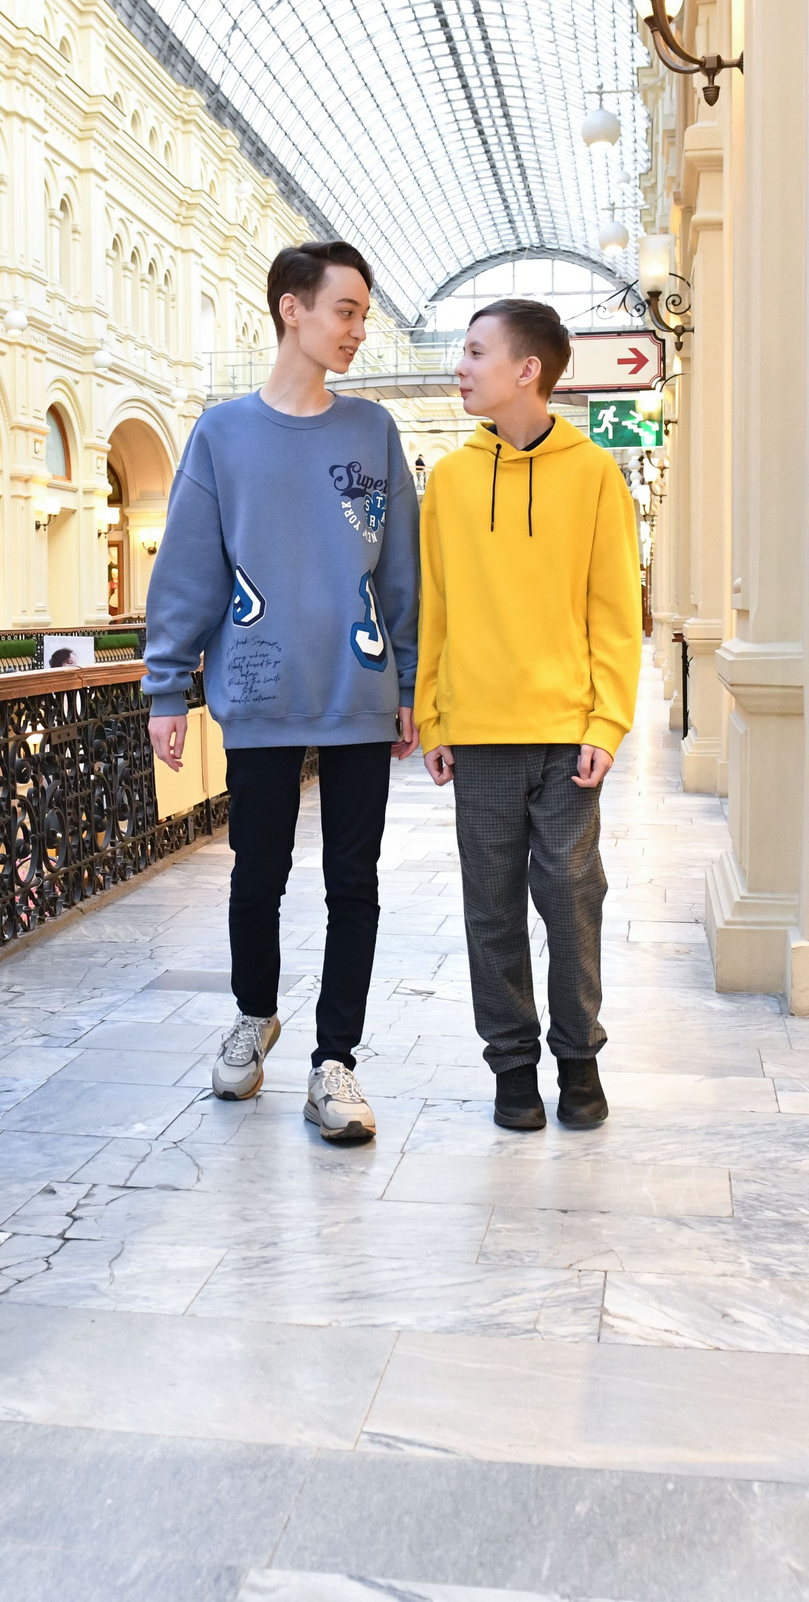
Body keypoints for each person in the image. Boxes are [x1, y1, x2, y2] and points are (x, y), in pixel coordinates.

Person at [143, 241, 420, 1146]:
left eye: (363, 313)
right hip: (257, 691)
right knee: (256, 873)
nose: (358, 328)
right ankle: (252, 1013)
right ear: (291, 310)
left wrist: (411, 680)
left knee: (355, 881)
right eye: (345, 309)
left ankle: (334, 1059)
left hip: (357, 690)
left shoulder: (373, 430)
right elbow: (188, 566)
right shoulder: (221, 434)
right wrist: (166, 687)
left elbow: (404, 571)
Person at [416, 299, 642, 1131]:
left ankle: (578, 1056)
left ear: (527, 370)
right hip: (477, 734)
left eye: (476, 352)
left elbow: (617, 612)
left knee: (572, 892)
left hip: (565, 734)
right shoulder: (448, 479)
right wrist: (433, 719)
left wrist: (607, 723)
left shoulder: (593, 475)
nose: (461, 366)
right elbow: (433, 607)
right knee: (490, 906)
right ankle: (512, 1066)